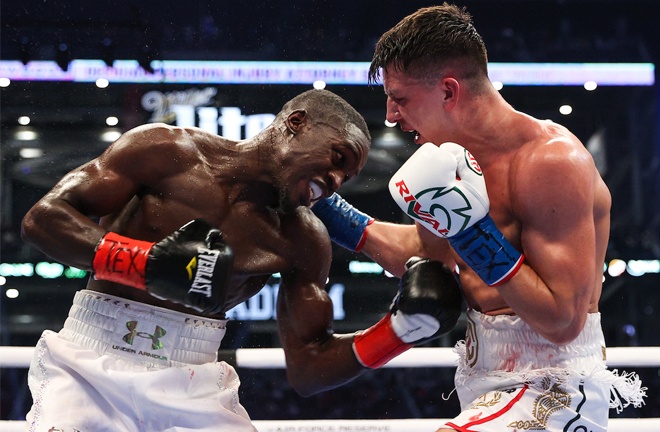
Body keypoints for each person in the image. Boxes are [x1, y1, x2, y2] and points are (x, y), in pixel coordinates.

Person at [20, 89, 464, 431]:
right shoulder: (165, 150)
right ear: (296, 123)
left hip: (190, 378)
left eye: (345, 178)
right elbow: (44, 219)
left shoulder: (303, 238)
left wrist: (398, 332)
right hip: (89, 360)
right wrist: (145, 263)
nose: (335, 181)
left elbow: (309, 367)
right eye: (337, 158)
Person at [312, 4, 646, 431]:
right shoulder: (448, 165)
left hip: (557, 387)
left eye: (400, 98)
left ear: (449, 91)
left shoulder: (550, 162)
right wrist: (326, 207)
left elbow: (563, 321)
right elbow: (430, 256)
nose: (392, 115)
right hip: (482, 383)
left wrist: (471, 231)